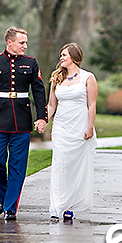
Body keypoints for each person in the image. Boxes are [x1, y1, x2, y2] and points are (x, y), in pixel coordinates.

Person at [0, 27, 48, 221]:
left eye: (26, 42)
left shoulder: (31, 63)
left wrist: (42, 117)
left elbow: (39, 91)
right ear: (10, 42)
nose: (25, 46)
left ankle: (10, 208)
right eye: (21, 42)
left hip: (22, 121)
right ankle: (2, 197)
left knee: (17, 166)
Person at [47, 42, 97, 222]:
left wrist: (90, 127)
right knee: (60, 165)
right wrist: (43, 120)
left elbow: (91, 104)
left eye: (64, 55)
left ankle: (70, 206)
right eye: (60, 55)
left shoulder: (88, 78)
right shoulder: (56, 79)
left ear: (75, 57)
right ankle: (56, 206)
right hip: (61, 127)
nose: (61, 58)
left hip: (80, 126)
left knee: (75, 167)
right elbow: (52, 104)